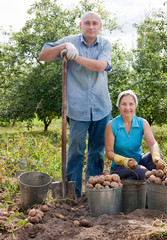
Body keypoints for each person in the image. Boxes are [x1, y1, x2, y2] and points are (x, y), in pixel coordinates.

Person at [39, 12, 112, 197]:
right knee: (76, 151)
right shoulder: (70, 41)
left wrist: (75, 57)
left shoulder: (104, 44)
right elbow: (44, 55)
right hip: (77, 109)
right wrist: (64, 46)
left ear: (100, 26)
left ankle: (92, 192)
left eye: (95, 23)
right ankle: (72, 193)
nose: (91, 26)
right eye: (87, 23)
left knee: (97, 152)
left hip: (101, 107)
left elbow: (101, 66)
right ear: (81, 25)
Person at [105, 90, 166, 180]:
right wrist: (124, 160)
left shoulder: (142, 123)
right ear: (119, 106)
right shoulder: (112, 125)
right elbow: (109, 152)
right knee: (143, 173)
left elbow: (152, 144)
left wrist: (156, 156)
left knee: (157, 159)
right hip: (120, 167)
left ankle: (153, 189)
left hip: (139, 162)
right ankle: (140, 184)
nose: (127, 107)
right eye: (124, 104)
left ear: (135, 105)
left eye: (131, 104)